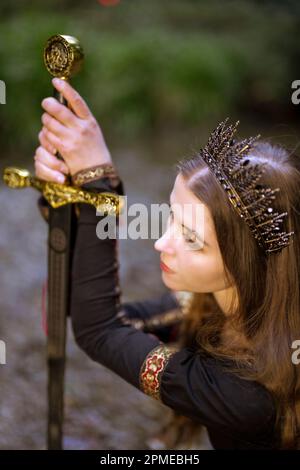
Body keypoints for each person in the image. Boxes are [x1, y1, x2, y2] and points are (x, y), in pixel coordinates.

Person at [34, 77, 300, 450]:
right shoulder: (215, 302)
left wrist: (99, 187)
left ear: (246, 264)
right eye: (171, 215)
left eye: (192, 239)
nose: (161, 242)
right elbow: (73, 311)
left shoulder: (248, 393)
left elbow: (99, 331)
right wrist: (69, 210)